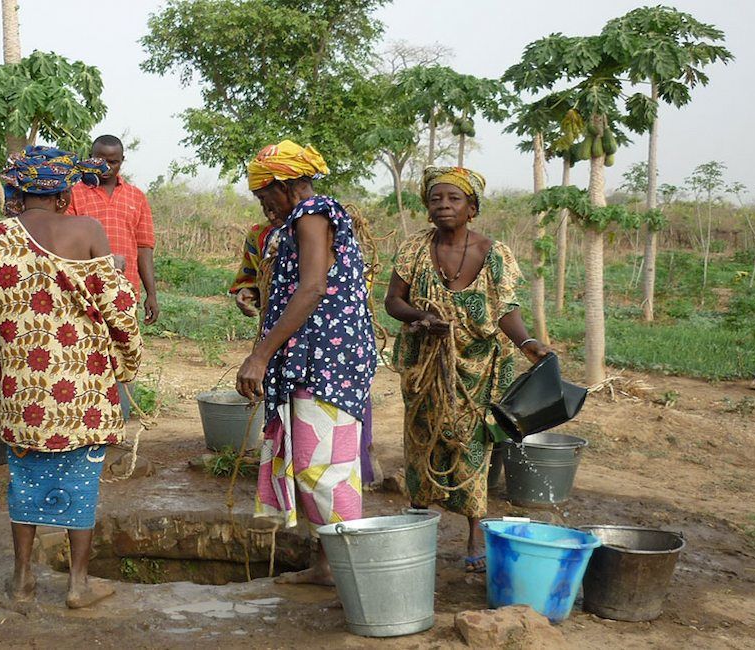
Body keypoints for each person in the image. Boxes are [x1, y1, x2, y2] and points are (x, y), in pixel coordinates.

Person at [0, 146, 142, 609]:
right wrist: (124, 362)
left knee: (24, 477)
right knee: (83, 479)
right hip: (85, 386)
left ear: (18, 192)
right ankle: (78, 586)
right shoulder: (86, 230)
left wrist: (27, 350)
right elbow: (119, 311)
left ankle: (23, 580)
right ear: (66, 193)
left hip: (23, 388)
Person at [384, 166, 551, 573]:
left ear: (471, 208)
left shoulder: (495, 254)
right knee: (422, 437)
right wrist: (422, 317)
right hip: (426, 365)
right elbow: (393, 301)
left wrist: (527, 343)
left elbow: (504, 309)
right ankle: (418, 519)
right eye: (436, 199)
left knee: (474, 444)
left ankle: (475, 528)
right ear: (426, 208)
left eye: (454, 199)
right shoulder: (413, 250)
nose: (444, 205)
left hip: (481, 367)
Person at [235, 141, 377, 586]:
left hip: (326, 361)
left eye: (265, 198)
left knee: (327, 471)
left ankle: (353, 578)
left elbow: (313, 288)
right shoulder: (308, 216)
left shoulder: (313, 213)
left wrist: (260, 355)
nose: (266, 208)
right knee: (313, 466)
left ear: (283, 184)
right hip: (312, 357)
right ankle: (327, 566)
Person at [66, 134, 159, 325]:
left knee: (123, 350)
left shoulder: (137, 197)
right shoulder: (72, 194)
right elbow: (66, 245)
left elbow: (144, 248)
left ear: (122, 161)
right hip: (84, 291)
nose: (106, 167)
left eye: (113, 162)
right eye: (99, 160)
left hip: (126, 291)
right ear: (90, 157)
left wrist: (151, 294)